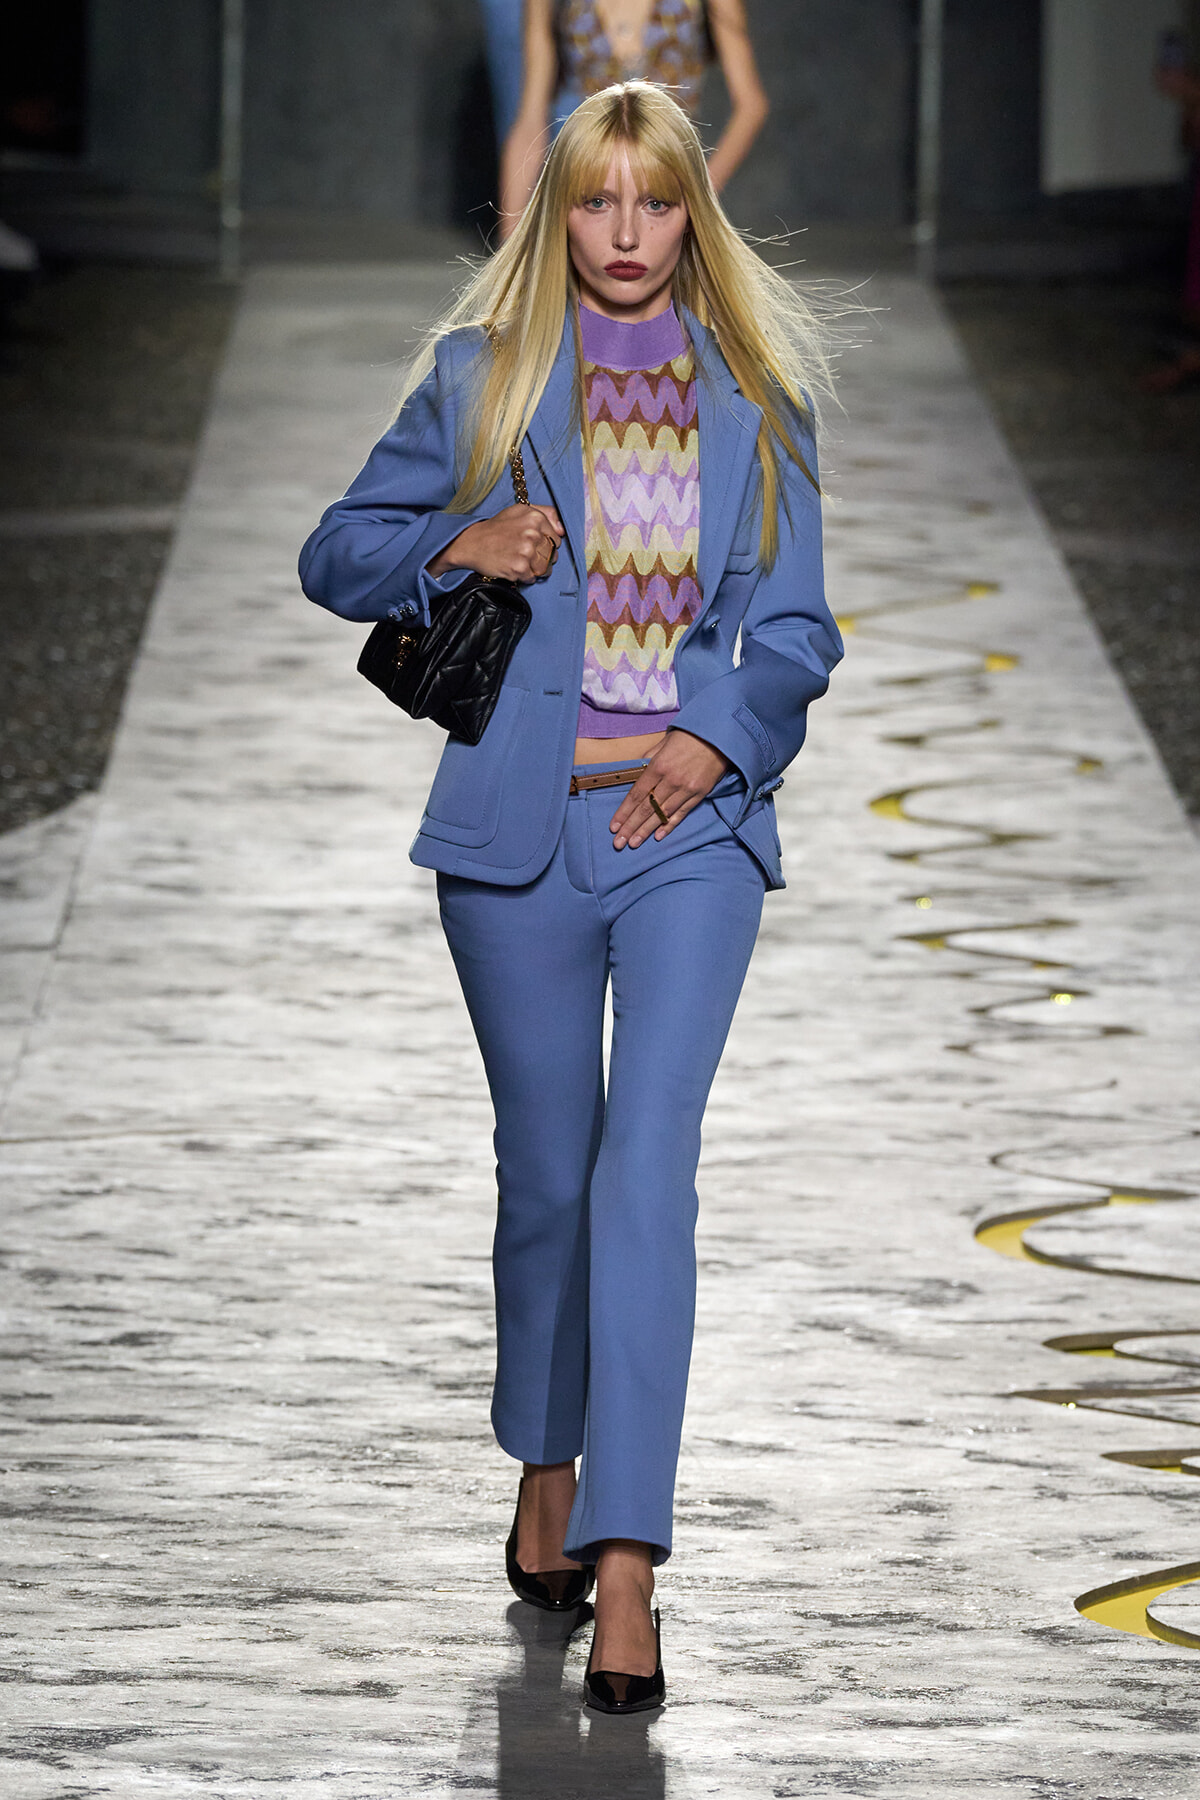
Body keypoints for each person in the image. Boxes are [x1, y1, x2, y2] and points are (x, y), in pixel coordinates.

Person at [300, 79, 841, 1715]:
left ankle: (627, 1566)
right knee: (547, 1179)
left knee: (645, 1172)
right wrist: (467, 540)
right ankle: (545, 1457)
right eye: (596, 203)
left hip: (689, 831)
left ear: (693, 212)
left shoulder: (761, 391)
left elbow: (799, 634)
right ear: (559, 211)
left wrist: (715, 738)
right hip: (516, 842)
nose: (624, 234)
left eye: (654, 204)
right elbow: (336, 554)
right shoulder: (487, 376)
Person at [499, 0, 768, 232]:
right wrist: (508, 249)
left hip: (671, 183)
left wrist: (697, 196)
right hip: (591, 188)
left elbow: (751, 105)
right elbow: (530, 122)